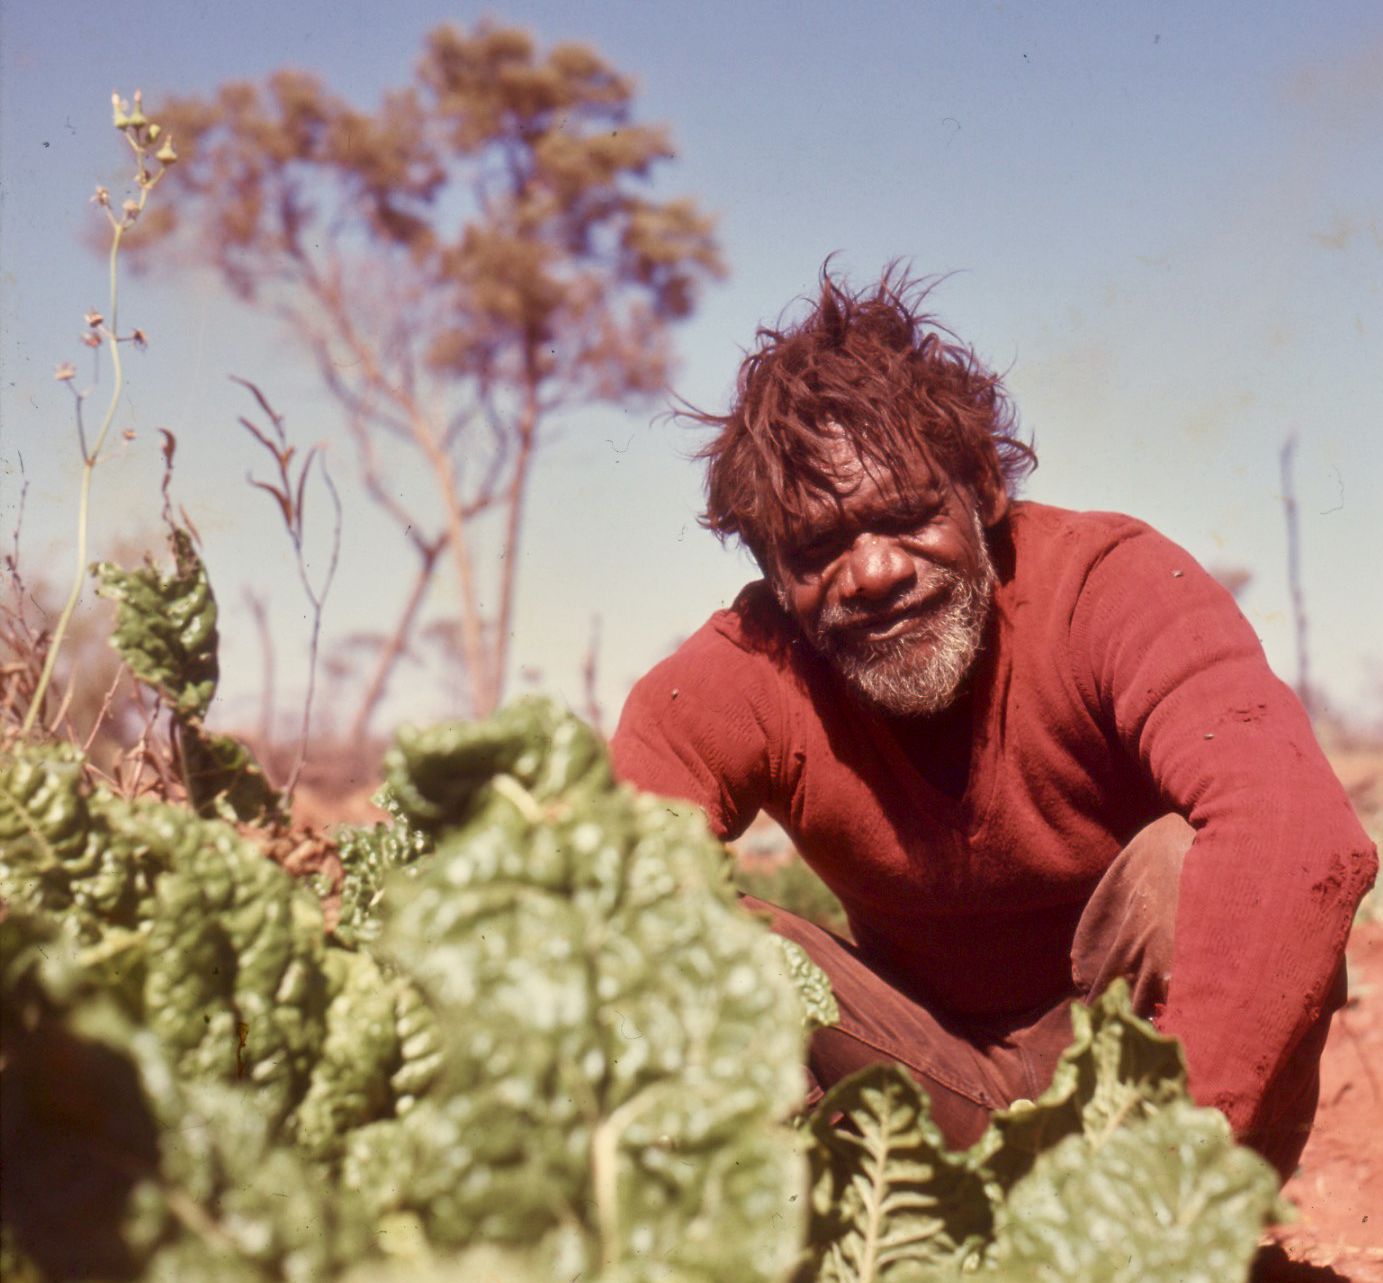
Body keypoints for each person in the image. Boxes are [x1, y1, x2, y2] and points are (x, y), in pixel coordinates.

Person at [609, 264, 1377, 1180]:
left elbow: (1295, 831)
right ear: (774, 572)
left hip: (1159, 1108)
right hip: (924, 1102)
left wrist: (1161, 1189)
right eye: (819, 548)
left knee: (1179, 866)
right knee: (692, 931)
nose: (874, 572)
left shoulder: (1108, 584)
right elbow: (598, 872)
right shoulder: (751, 666)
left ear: (982, 489)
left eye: (906, 516)